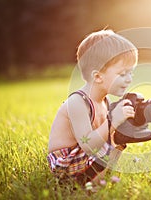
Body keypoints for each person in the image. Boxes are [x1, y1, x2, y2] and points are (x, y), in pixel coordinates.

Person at [47, 29, 138, 186]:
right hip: (66, 163)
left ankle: (101, 178)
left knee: (118, 137)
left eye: (131, 73)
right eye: (123, 74)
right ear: (98, 76)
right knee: (110, 136)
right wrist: (112, 121)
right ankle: (87, 182)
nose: (129, 79)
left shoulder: (105, 101)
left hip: (84, 157)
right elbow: (88, 145)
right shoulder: (78, 102)